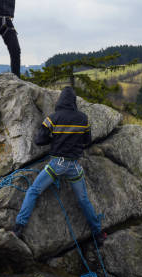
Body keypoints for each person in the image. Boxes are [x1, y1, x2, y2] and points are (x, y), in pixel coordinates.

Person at [13, 86, 106, 247]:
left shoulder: (53, 118)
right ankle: (98, 234)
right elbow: (87, 141)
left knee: (34, 191)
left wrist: (54, 140)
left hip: (56, 164)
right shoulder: (83, 119)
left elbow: (39, 140)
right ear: (74, 102)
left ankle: (19, 227)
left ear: (60, 100)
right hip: (74, 166)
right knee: (84, 200)